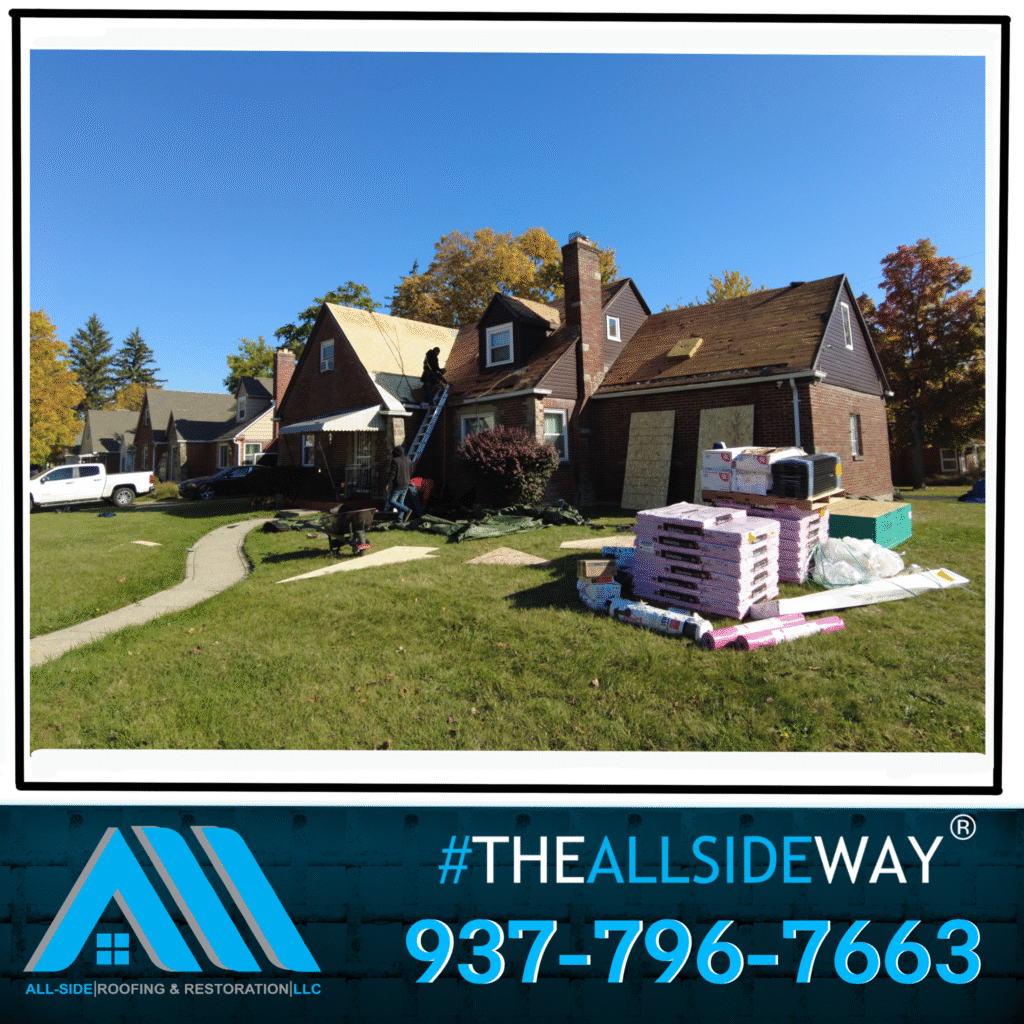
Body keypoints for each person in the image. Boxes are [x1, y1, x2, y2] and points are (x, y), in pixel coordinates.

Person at [383, 444, 413, 522]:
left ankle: (407, 510)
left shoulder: (395, 461)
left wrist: (387, 484)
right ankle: (400, 521)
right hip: (406, 485)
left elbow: (392, 474)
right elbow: (411, 472)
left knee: (391, 501)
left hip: (398, 486)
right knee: (401, 502)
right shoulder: (409, 460)